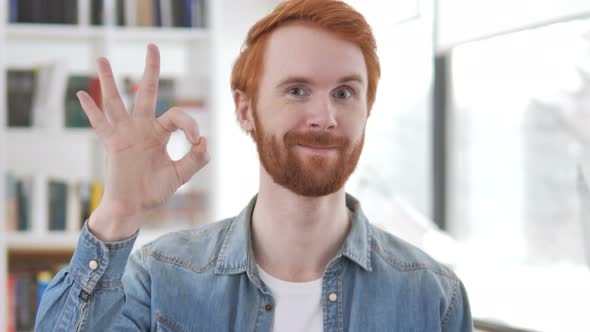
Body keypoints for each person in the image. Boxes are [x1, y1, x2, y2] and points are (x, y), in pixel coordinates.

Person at [35, 0, 473, 330]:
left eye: (344, 92)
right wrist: (118, 213)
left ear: (367, 109)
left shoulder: (434, 298)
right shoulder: (160, 279)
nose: (325, 116)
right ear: (245, 110)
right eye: (297, 90)